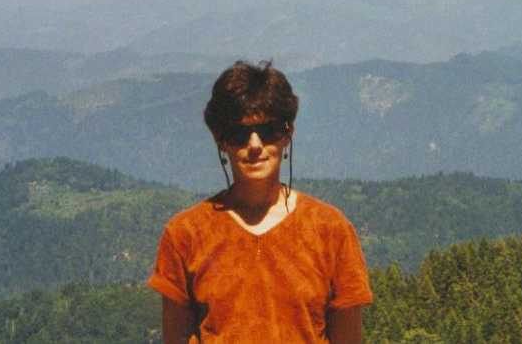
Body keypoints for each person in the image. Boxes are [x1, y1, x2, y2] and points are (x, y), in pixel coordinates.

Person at [148, 61, 372, 343]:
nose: (254, 145)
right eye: (239, 133)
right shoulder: (185, 235)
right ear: (221, 140)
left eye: (268, 131)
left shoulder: (331, 231)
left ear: (287, 134)